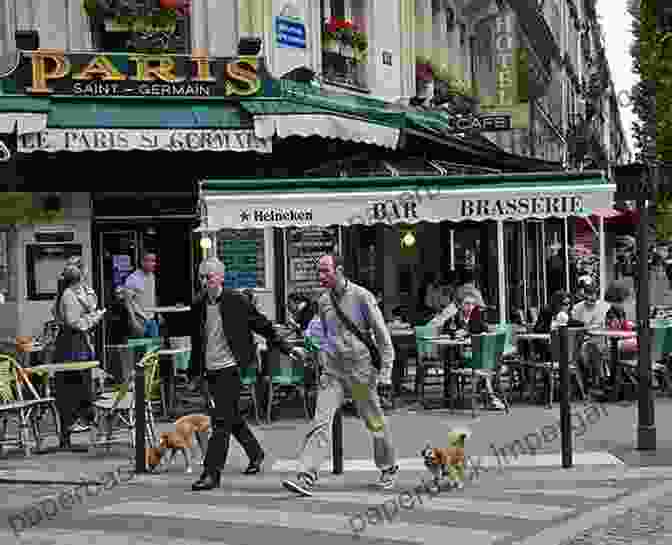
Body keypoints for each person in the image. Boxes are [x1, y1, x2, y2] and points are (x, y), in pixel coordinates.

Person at [282, 254, 397, 496]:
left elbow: (383, 338)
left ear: (340, 270)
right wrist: (312, 353)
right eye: (318, 272)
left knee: (374, 422)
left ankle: (388, 468)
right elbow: (325, 336)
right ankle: (306, 476)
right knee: (320, 423)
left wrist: (385, 373)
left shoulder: (362, 297)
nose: (320, 276)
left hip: (360, 372)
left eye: (325, 271)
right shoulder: (323, 302)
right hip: (333, 372)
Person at [189, 257, 302, 491]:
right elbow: (197, 342)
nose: (204, 281)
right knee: (230, 416)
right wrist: (194, 372)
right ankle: (256, 453)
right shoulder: (198, 304)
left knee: (220, 421)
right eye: (201, 277)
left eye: (208, 277)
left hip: (232, 367)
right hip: (210, 369)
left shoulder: (236, 301)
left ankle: (211, 473)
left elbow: (263, 325)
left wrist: (287, 348)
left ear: (220, 277)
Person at [52, 264, 106, 448]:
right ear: (78, 279)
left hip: (73, 342)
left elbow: (90, 303)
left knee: (75, 385)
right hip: (72, 344)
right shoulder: (68, 295)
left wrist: (92, 311)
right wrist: (94, 318)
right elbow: (75, 323)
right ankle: (73, 428)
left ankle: (71, 432)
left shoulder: (71, 293)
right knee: (75, 385)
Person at [571, 284, 610, 387]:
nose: (591, 299)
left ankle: (599, 378)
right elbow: (574, 327)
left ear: (597, 296)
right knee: (590, 347)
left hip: (603, 339)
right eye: (588, 296)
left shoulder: (605, 307)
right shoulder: (577, 308)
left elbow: (608, 325)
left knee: (595, 347)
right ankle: (601, 378)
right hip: (583, 340)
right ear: (584, 296)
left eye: (593, 296)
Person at [124, 251, 160, 338]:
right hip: (139, 319)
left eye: (154, 261)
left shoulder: (152, 276)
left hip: (152, 320)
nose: (153, 263)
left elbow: (151, 296)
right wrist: (133, 321)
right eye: (150, 261)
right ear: (142, 262)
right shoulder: (133, 278)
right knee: (141, 349)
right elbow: (127, 302)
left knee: (154, 349)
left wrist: (157, 313)